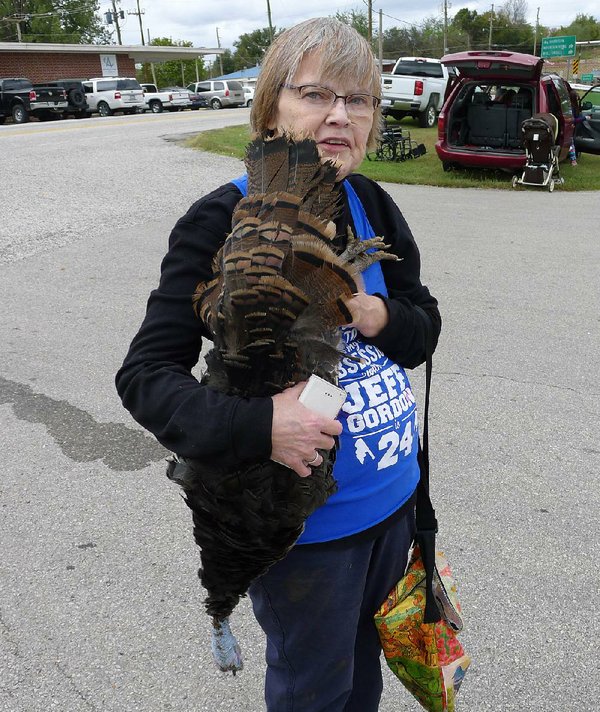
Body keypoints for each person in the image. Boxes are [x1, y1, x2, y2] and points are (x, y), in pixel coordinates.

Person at [116, 17, 441, 712]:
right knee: (314, 694)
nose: (338, 115)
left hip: (394, 513)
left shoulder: (371, 203)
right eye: (316, 94)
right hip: (306, 540)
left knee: (365, 680)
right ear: (271, 110)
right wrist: (264, 426)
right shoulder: (221, 220)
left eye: (359, 100)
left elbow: (425, 330)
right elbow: (146, 376)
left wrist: (382, 316)